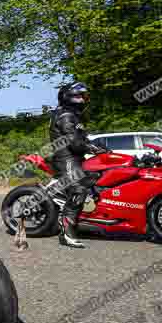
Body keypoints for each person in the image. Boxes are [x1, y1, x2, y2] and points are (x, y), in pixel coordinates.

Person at [48, 82, 108, 248]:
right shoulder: (65, 116)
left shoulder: (73, 115)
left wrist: (99, 147)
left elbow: (80, 138)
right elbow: (73, 142)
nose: (83, 99)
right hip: (66, 159)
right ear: (69, 97)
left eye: (84, 96)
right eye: (79, 96)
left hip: (76, 157)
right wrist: (92, 148)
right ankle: (66, 234)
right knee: (78, 191)